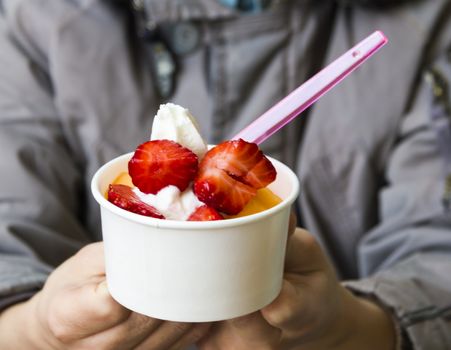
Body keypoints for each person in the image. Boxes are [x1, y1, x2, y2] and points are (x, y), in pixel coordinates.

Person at [0, 0, 450, 349]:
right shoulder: (41, 17)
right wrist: (36, 329)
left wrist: (352, 329)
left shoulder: (424, 23)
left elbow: (438, 256)